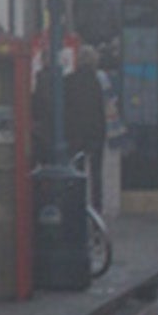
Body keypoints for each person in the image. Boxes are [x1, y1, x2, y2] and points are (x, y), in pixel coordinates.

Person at [63, 47, 109, 212]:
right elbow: (106, 107)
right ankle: (97, 206)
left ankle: (77, 204)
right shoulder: (100, 80)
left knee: (77, 169)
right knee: (96, 172)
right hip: (96, 131)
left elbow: (65, 108)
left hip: (75, 132)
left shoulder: (69, 80)